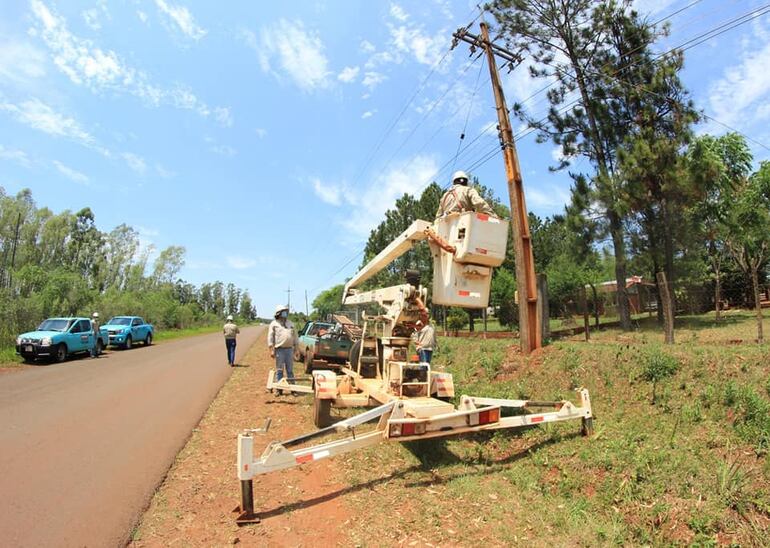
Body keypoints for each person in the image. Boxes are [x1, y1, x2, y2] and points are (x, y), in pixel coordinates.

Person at [268, 305, 298, 394]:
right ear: (278, 313)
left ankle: (293, 389)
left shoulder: (291, 323)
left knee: (290, 370)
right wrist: (271, 350)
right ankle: (279, 389)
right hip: (279, 350)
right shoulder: (274, 324)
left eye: (286, 311)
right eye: (283, 311)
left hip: (289, 350)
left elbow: (295, 336)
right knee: (280, 370)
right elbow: (270, 338)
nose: (286, 313)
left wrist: (296, 349)